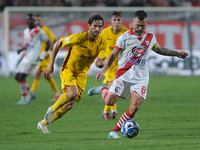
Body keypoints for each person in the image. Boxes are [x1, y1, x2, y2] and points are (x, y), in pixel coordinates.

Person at [89, 10, 189, 139]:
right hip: (124, 75)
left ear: (146, 24)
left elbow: (159, 49)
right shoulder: (124, 37)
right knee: (109, 102)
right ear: (132, 23)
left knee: (135, 107)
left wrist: (177, 53)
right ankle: (103, 89)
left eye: (143, 25)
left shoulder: (150, 37)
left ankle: (114, 132)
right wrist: (103, 71)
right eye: (138, 25)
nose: (140, 28)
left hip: (141, 78)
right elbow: (113, 55)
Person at [37, 14, 107, 133]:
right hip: (68, 69)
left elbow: (101, 60)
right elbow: (58, 43)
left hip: (81, 74)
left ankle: (43, 123)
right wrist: (51, 64)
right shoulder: (79, 37)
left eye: (100, 26)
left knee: (69, 105)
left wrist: (100, 63)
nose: (97, 29)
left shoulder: (102, 42)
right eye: (95, 26)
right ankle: (52, 109)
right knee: (72, 94)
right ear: (89, 26)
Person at [88, 11, 128, 120]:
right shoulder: (105, 32)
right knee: (113, 89)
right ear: (111, 21)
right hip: (109, 66)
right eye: (114, 20)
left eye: (118, 20)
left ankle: (105, 111)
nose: (116, 22)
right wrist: (99, 59)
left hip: (121, 66)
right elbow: (99, 46)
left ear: (122, 21)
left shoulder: (126, 33)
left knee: (116, 89)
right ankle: (114, 111)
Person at [15, 13, 50, 105]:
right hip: (27, 56)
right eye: (28, 19)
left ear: (34, 21)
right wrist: (21, 50)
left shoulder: (39, 31)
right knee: (17, 77)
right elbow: (28, 44)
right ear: (26, 21)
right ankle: (31, 94)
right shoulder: (26, 31)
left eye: (32, 19)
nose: (30, 21)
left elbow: (48, 43)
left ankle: (24, 98)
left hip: (33, 57)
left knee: (21, 77)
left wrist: (42, 55)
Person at [29, 14, 61, 102]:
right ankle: (32, 93)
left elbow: (54, 41)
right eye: (36, 20)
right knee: (37, 74)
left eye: (39, 20)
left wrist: (49, 52)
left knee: (46, 75)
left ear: (41, 21)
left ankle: (58, 93)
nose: (37, 22)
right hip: (39, 56)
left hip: (45, 56)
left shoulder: (45, 30)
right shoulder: (34, 30)